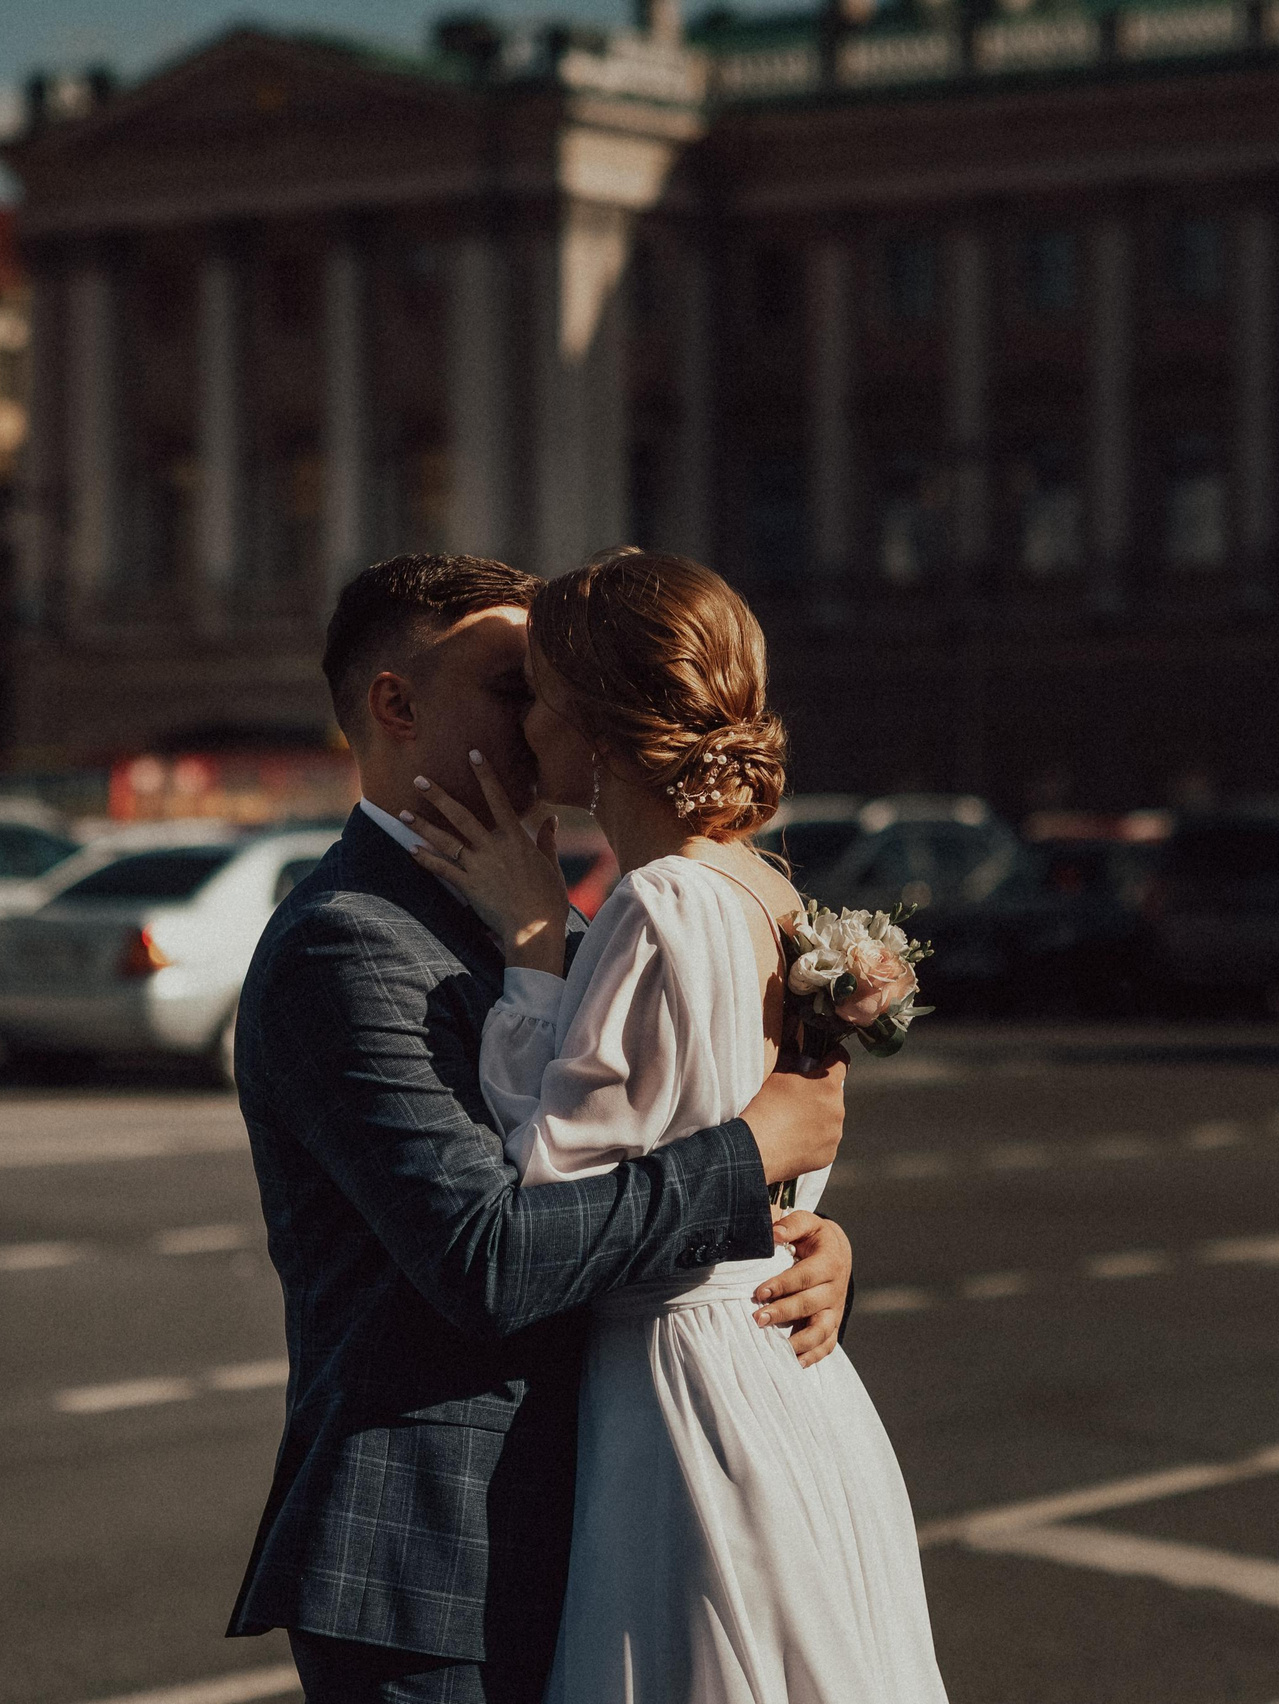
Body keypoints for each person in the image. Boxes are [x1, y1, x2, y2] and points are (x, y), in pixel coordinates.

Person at [228, 553, 860, 1704]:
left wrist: (795, 1246)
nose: (550, 718)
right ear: (396, 705)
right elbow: (486, 1259)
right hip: (438, 1561)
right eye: (514, 688)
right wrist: (747, 1160)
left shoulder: (545, 912)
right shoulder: (351, 941)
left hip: (602, 1509)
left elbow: (628, 1143)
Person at [404, 549, 947, 1704]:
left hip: (681, 1396)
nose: (525, 723)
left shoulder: (655, 904)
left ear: (598, 729)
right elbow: (767, 1152)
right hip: (790, 1380)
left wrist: (535, 952)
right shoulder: (767, 890)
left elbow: (549, 1184)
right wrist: (816, 1236)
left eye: (539, 693)